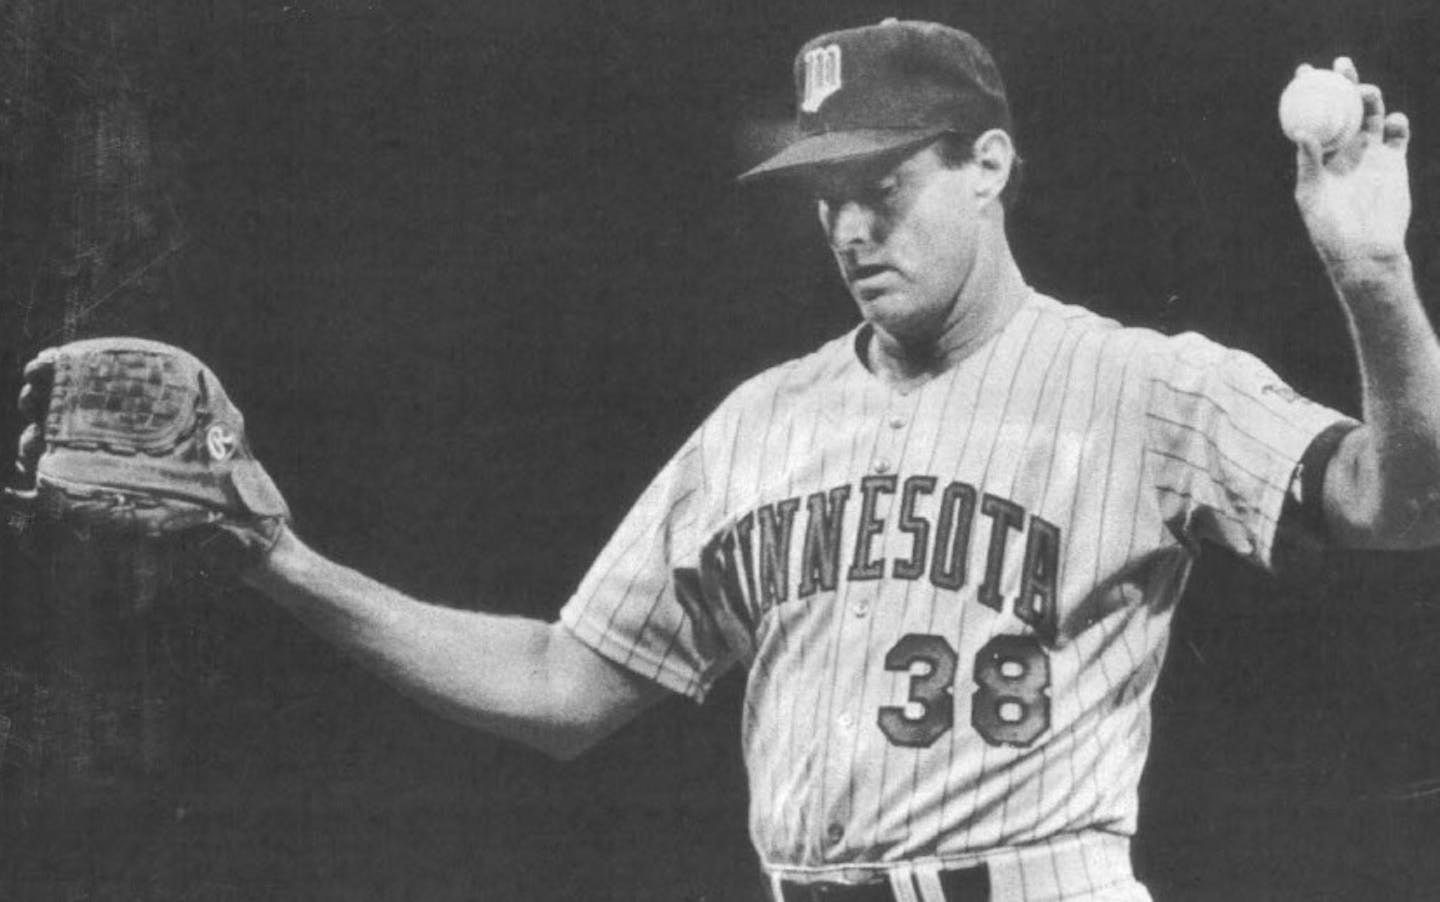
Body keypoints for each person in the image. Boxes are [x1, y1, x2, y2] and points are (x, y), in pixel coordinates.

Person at [102, 18, 1440, 902]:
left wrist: (1373, 276)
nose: (852, 226)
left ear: (990, 164)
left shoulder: (1143, 383)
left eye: (884, 184)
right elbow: (562, 682)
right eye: (826, 199)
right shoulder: (760, 426)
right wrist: (280, 562)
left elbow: (1402, 501)